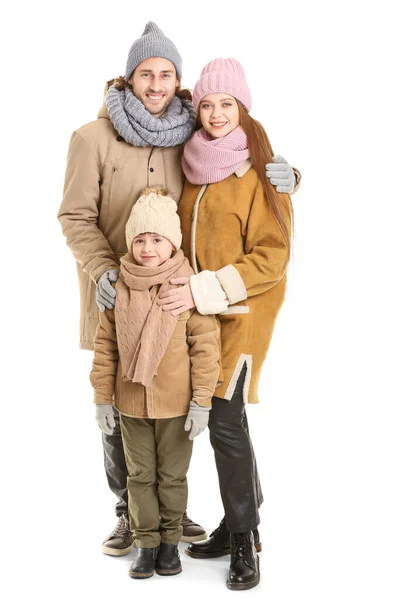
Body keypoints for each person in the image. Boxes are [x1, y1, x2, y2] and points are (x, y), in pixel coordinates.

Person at [58, 21, 300, 556]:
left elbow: (249, 182)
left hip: (201, 308)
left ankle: (206, 522)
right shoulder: (100, 140)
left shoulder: (192, 141)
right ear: (129, 77)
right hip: (119, 294)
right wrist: (104, 273)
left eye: (167, 74)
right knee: (122, 406)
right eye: (146, 72)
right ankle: (131, 514)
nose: (157, 83)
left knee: (194, 412)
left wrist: (289, 173)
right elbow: (74, 217)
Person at [157, 58, 293, 591]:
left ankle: (243, 539)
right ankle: (245, 521)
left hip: (239, 320)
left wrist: (204, 288)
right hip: (194, 321)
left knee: (223, 424)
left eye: (226, 104)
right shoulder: (192, 166)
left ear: (243, 108)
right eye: (207, 104)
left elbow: (271, 258)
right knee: (228, 425)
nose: (215, 114)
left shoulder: (261, 174)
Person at [90, 187, 220, 579]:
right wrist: (101, 399)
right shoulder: (118, 289)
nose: (148, 248)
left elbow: (206, 348)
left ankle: (169, 543)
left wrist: (201, 402)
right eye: (140, 239)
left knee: (172, 476)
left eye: (157, 239)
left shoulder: (188, 288)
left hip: (176, 404)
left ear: (173, 243)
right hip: (130, 404)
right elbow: (105, 349)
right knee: (139, 476)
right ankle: (146, 544)